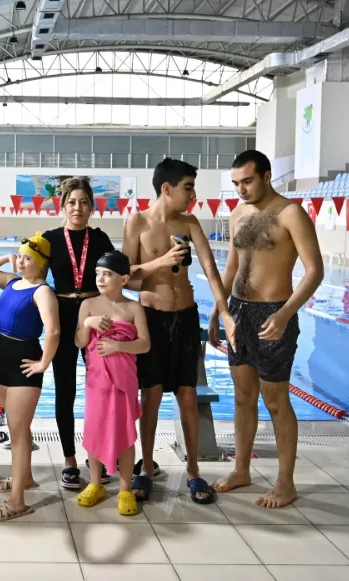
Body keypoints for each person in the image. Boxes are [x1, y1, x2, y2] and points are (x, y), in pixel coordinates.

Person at [208, 150, 323, 509]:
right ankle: (241, 470)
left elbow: (314, 270)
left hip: (274, 313)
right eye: (236, 183)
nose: (241, 189)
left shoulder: (291, 213)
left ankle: (285, 483)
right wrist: (218, 311)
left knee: (275, 401)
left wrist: (286, 313)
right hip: (238, 312)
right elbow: (231, 268)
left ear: (267, 176)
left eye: (247, 181)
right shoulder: (238, 213)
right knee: (243, 397)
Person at [122, 158, 236, 505]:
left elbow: (210, 269)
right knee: (152, 395)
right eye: (188, 187)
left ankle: (193, 470)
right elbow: (125, 276)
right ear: (167, 188)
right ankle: (145, 469)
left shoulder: (190, 222)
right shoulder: (138, 222)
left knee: (188, 395)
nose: (193, 195)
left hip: (185, 317)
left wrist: (224, 314)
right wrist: (160, 262)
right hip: (151, 318)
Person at [38, 178, 117, 490]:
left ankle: (97, 454)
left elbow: (114, 279)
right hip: (62, 316)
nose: (78, 208)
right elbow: (36, 280)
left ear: (92, 206)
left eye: (84, 202)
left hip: (94, 316)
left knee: (101, 390)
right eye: (72, 202)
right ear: (63, 205)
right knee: (65, 391)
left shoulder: (100, 239)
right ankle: (69, 459)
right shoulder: (50, 239)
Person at [0, 233, 59, 522]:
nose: (21, 262)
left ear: (41, 263)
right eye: (21, 256)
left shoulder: (42, 292)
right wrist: (8, 257)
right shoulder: (13, 282)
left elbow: (53, 330)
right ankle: (25, 477)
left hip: (23, 363)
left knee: (18, 432)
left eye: (27, 258)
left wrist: (44, 363)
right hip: (1, 359)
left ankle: (17, 502)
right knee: (19, 428)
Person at [75, 251, 150, 516]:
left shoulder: (133, 308)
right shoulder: (89, 305)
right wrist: (88, 323)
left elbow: (145, 344)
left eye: (107, 274)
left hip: (123, 382)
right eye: (98, 274)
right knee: (94, 431)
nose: (100, 279)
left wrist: (119, 346)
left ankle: (125, 488)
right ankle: (95, 484)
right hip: (97, 382)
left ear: (124, 279)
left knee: (125, 433)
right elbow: (79, 341)